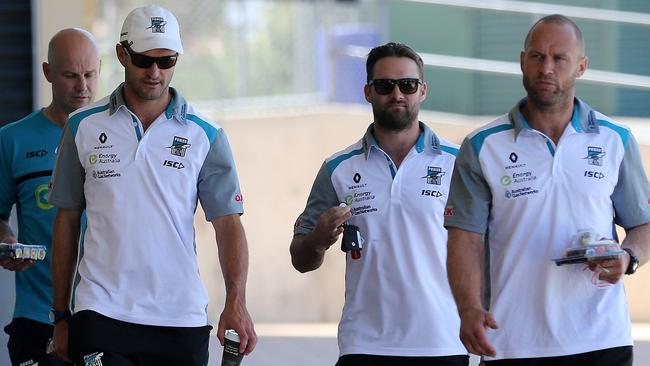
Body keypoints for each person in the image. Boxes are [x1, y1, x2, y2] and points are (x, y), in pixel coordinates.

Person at [48, 5, 256, 365]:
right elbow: (66, 222)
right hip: (100, 312)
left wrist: (236, 302)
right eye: (144, 60)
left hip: (181, 318)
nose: (156, 72)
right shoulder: (82, 126)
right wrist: (61, 316)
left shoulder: (206, 134)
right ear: (121, 54)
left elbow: (228, 224)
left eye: (167, 60)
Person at [445, 14, 650, 366]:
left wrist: (627, 258)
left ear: (581, 66)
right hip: (511, 342)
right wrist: (468, 309)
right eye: (537, 56)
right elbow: (464, 239)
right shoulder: (482, 145)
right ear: (522, 61)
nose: (547, 68)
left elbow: (643, 225)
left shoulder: (615, 140)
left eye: (560, 58)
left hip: (602, 340)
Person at [291, 42, 468, 366]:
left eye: (407, 84)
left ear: (423, 90)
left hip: (443, 344)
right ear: (368, 92)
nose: (397, 94)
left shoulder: (458, 163)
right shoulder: (338, 168)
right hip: (365, 346)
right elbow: (301, 259)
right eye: (385, 85)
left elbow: (486, 251)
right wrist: (318, 239)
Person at [0, 28, 100, 366]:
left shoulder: (118, 136)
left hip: (103, 314)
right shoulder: (12, 140)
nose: (82, 86)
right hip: (36, 316)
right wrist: (7, 241)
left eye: (89, 74)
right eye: (71, 75)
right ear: (47, 73)